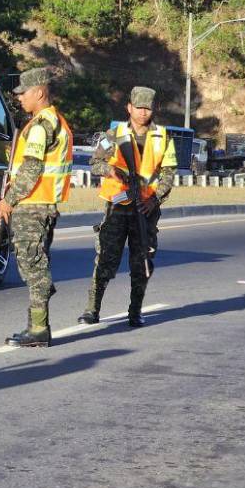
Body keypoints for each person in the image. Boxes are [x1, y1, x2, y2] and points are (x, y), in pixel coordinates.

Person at [78, 86, 178, 329]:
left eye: (148, 108)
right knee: (105, 260)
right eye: (139, 107)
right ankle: (92, 309)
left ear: (154, 109)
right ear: (129, 108)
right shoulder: (114, 134)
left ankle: (135, 310)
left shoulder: (164, 137)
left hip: (146, 210)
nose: (143, 112)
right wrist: (111, 169)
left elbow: (168, 173)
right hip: (117, 207)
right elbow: (95, 164)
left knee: (142, 262)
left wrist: (153, 199)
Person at [1, 67, 73, 348]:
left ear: (39, 92)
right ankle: (36, 324)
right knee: (35, 264)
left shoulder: (42, 126)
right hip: (41, 204)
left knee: (33, 266)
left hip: (32, 205)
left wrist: (8, 201)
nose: (20, 98)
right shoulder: (51, 122)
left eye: (24, 93)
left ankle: (39, 328)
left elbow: (31, 170)